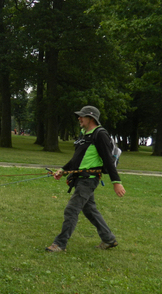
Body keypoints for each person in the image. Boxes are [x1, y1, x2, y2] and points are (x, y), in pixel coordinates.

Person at [46, 105, 126, 253]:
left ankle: (60, 244)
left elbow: (108, 160)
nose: (79, 118)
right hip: (80, 178)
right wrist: (63, 170)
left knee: (71, 209)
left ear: (91, 118)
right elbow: (77, 159)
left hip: (89, 180)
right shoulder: (84, 134)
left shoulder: (100, 134)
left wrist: (116, 182)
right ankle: (108, 239)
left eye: (82, 116)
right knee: (90, 210)